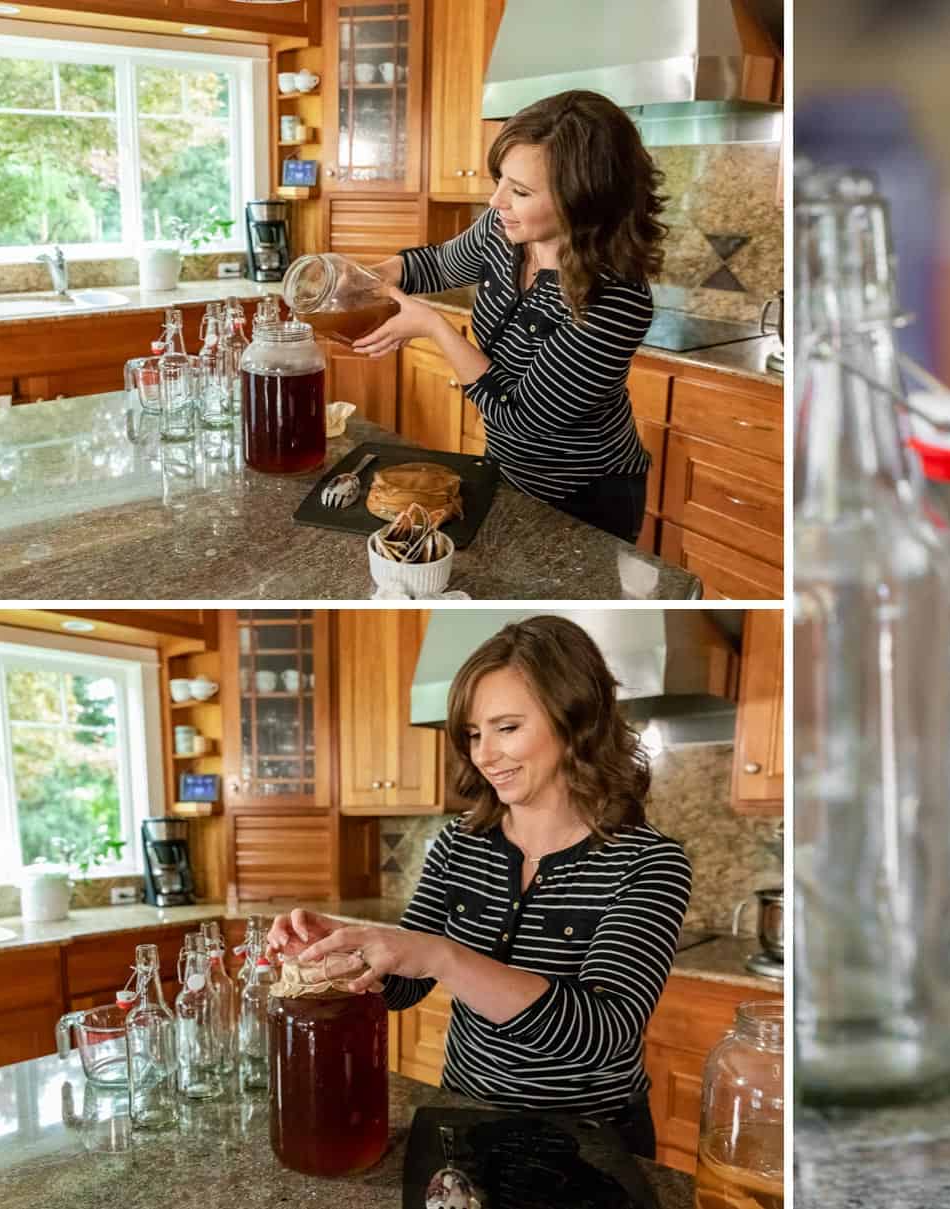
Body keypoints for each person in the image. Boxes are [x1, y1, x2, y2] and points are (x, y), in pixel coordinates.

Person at [268, 615, 693, 1158]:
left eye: (507, 727)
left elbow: (601, 1035)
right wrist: (344, 949)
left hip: (593, 1140)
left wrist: (443, 957)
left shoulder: (649, 861)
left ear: (575, 721)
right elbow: (403, 987)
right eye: (473, 734)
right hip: (466, 1117)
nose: (484, 754)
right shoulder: (459, 843)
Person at [351, 89, 667, 544]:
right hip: (505, 469)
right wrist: (369, 276)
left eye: (519, 190)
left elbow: (519, 418)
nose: (497, 200)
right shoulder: (504, 230)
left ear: (584, 199)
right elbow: (439, 264)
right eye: (500, 179)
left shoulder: (614, 300)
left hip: (585, 496)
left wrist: (433, 327)